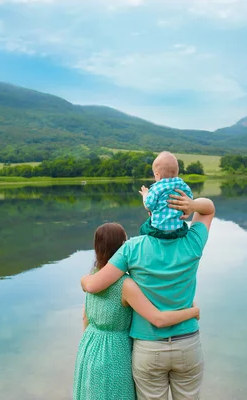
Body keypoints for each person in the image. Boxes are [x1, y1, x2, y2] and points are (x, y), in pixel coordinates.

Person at [81, 156, 216, 399]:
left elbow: (93, 285)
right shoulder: (193, 242)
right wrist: (193, 206)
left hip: (148, 347)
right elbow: (209, 210)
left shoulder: (132, 248)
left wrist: (85, 280)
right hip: (188, 343)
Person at [73, 222, 200, 400]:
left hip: (89, 348)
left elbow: (85, 318)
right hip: (115, 354)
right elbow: (158, 318)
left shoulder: (92, 276)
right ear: (121, 246)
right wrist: (192, 312)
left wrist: (91, 348)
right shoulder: (126, 285)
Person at [139, 151, 193, 240]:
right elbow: (189, 202)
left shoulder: (157, 188)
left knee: (143, 228)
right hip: (178, 230)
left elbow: (148, 206)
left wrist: (145, 194)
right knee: (184, 226)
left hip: (159, 231)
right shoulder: (183, 186)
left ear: (157, 175)